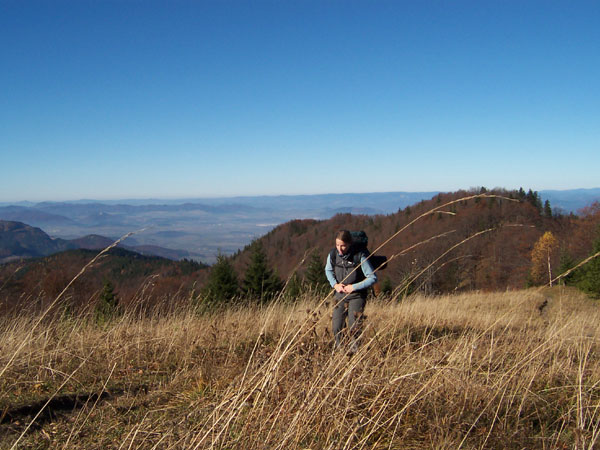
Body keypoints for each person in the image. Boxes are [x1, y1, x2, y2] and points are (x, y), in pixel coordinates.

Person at [325, 230, 377, 352]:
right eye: (337, 245)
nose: (340, 249)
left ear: (349, 244)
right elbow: (328, 270)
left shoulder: (359, 256)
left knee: (354, 328)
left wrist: (354, 287)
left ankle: (354, 355)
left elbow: (373, 278)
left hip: (357, 296)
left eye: (343, 245)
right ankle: (342, 353)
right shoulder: (333, 255)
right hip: (340, 294)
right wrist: (335, 285)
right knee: (336, 327)